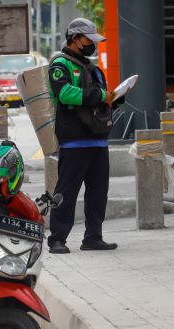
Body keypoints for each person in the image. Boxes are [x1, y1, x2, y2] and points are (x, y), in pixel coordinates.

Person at [47, 18, 126, 254]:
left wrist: (115, 97)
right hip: (74, 141)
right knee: (67, 191)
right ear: (75, 38)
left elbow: (101, 97)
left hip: (98, 139)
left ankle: (93, 237)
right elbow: (64, 93)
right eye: (89, 40)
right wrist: (100, 95)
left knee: (98, 192)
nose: (93, 45)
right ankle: (57, 239)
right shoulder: (60, 64)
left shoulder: (92, 68)